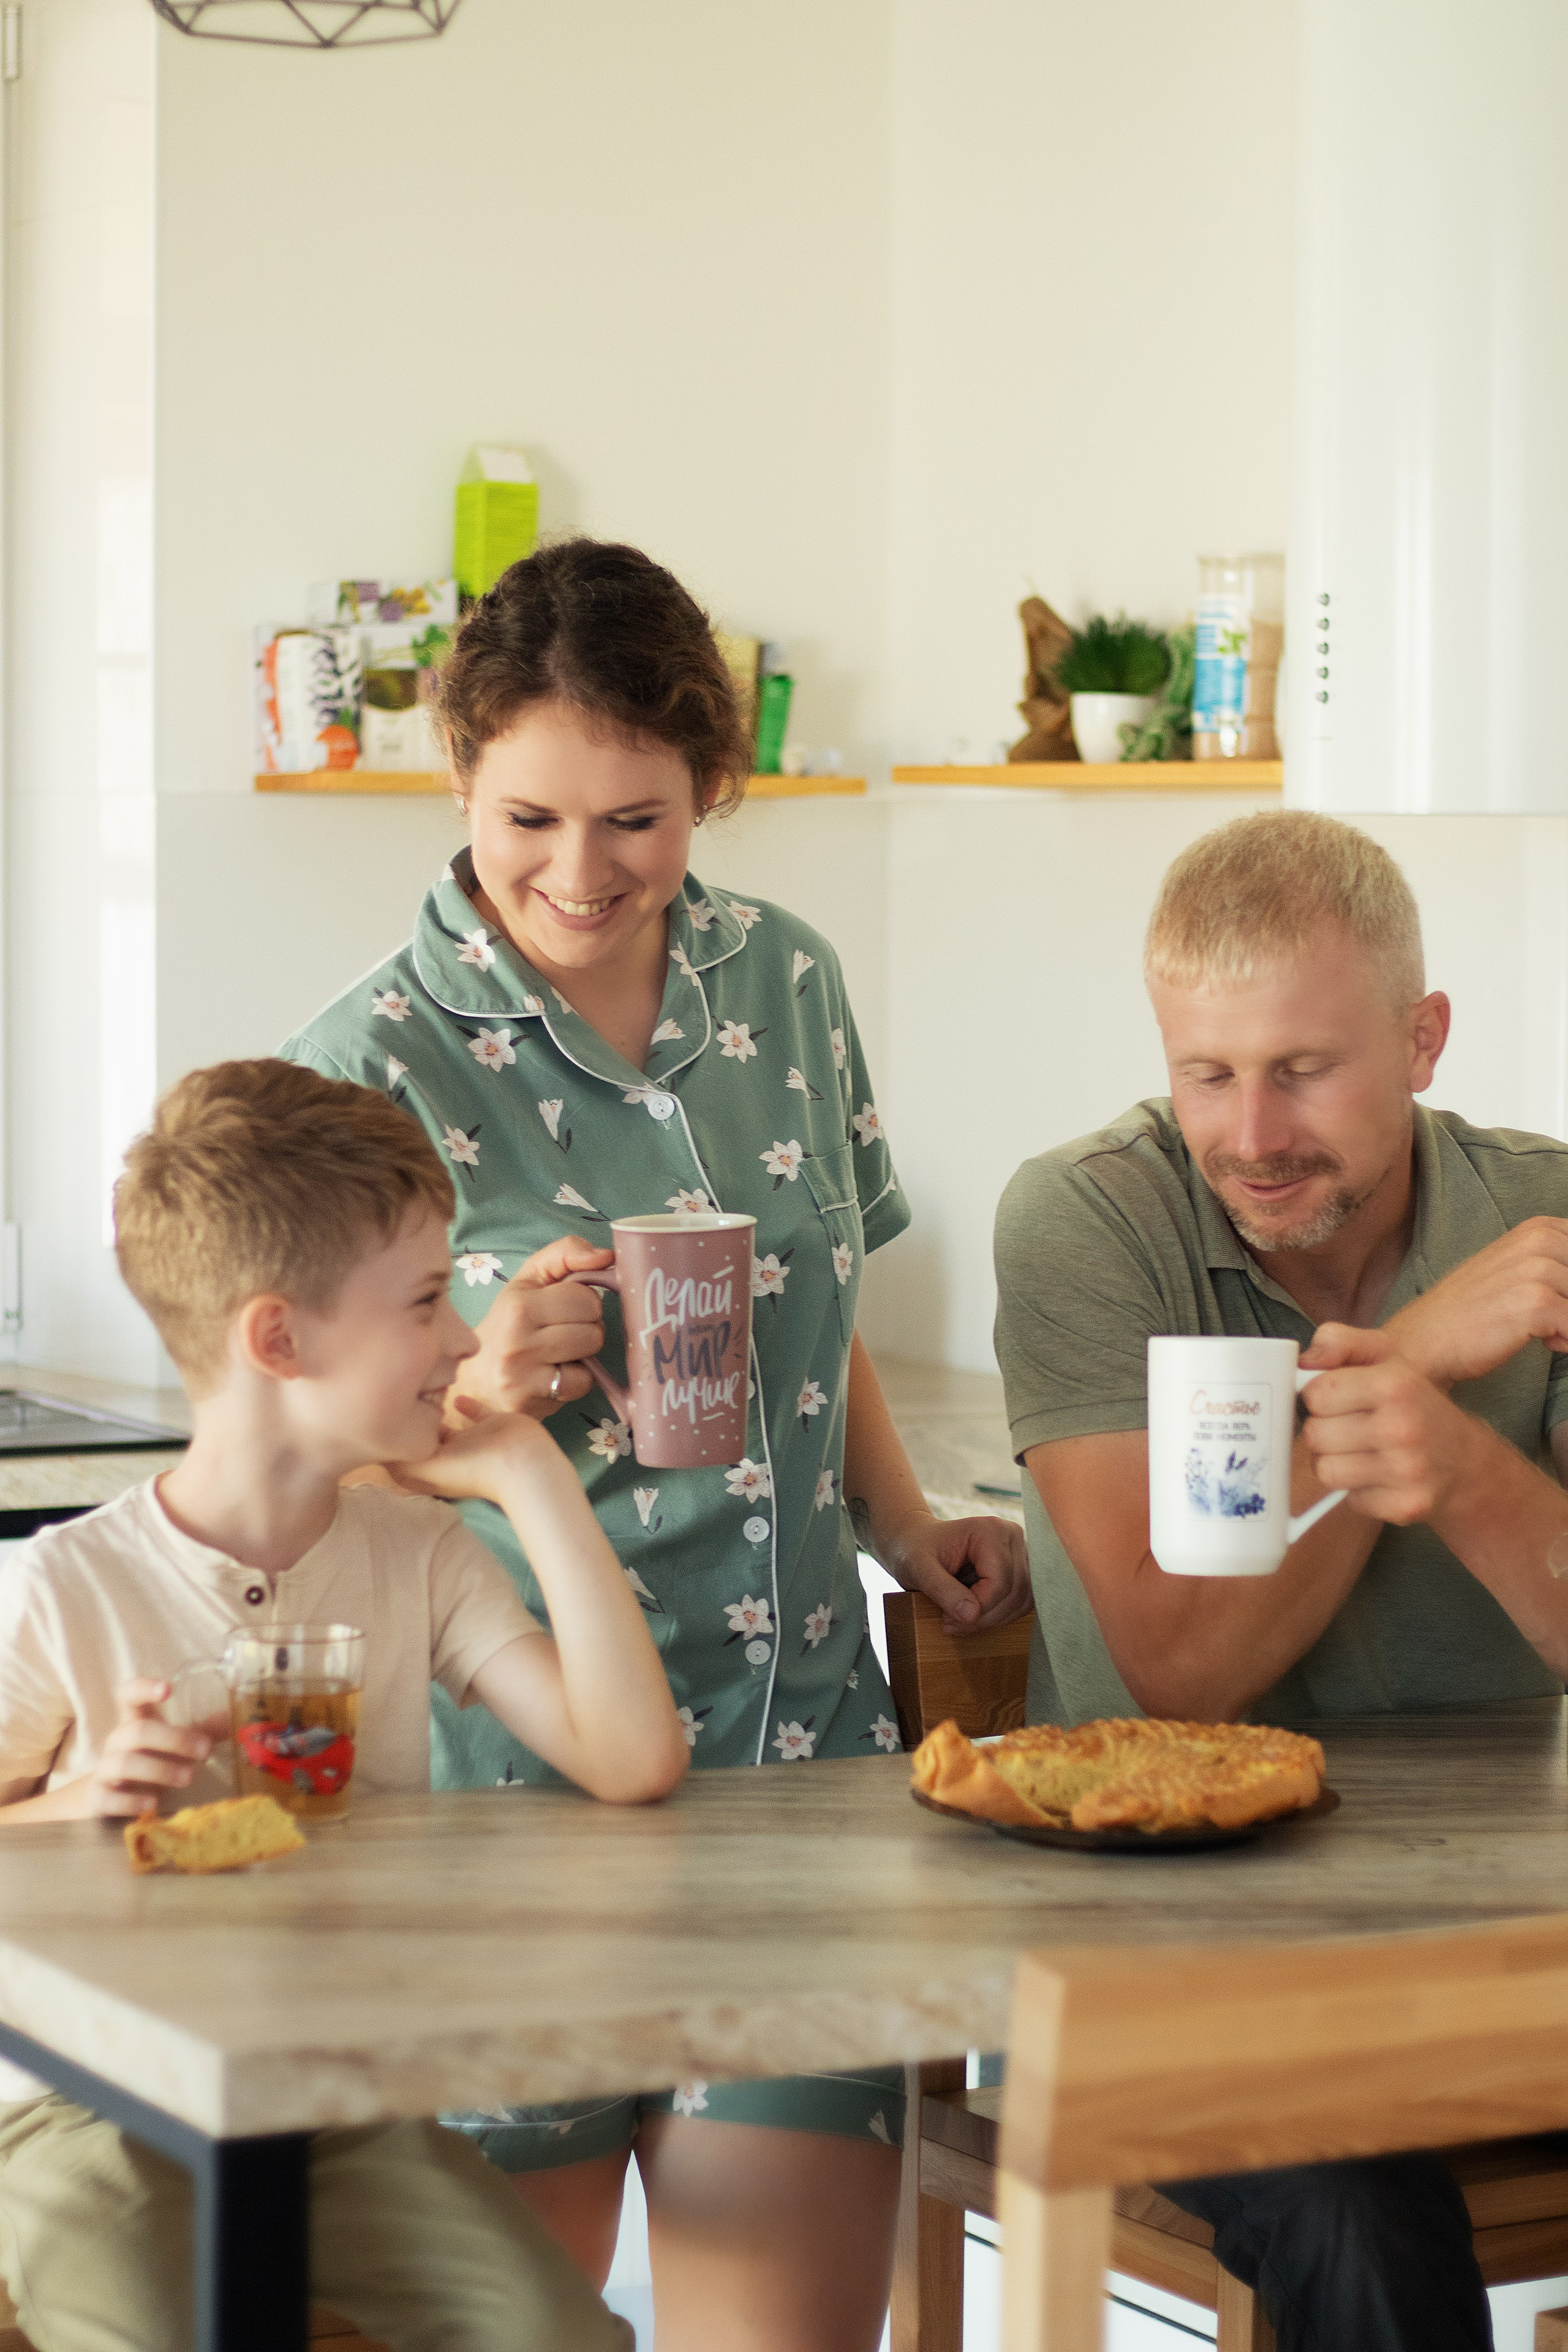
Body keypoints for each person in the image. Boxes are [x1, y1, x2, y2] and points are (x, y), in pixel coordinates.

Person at [282, 537, 1031, 2352]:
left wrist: (906, 1517)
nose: (582, 873)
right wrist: (473, 1383)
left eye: (641, 819)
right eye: (531, 816)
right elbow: (303, 1470)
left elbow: (818, 1296)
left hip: (798, 1783)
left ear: (711, 789)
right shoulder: (358, 1064)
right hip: (503, 1803)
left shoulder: (785, 980)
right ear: (456, 774)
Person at [0, 1057, 690, 2352]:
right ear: (279, 1338)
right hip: (75, 2116)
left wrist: (529, 1475)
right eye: (427, 1300)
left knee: (569, 2342)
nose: (456, 1338)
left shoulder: (410, 1556)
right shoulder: (62, 1589)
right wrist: (77, 1807)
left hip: (332, 2111)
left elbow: (629, 1757)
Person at [995, 808, 1568, 2351]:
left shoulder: (1545, 1219)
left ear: (1421, 1039)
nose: (1250, 1137)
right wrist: (1409, 1364)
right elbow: (1182, 1670)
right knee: (1354, 2212)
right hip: (1169, 1949)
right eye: (1207, 1073)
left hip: (1504, 1933)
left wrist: (1458, 1466)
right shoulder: (1089, 1219)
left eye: (1301, 1070)